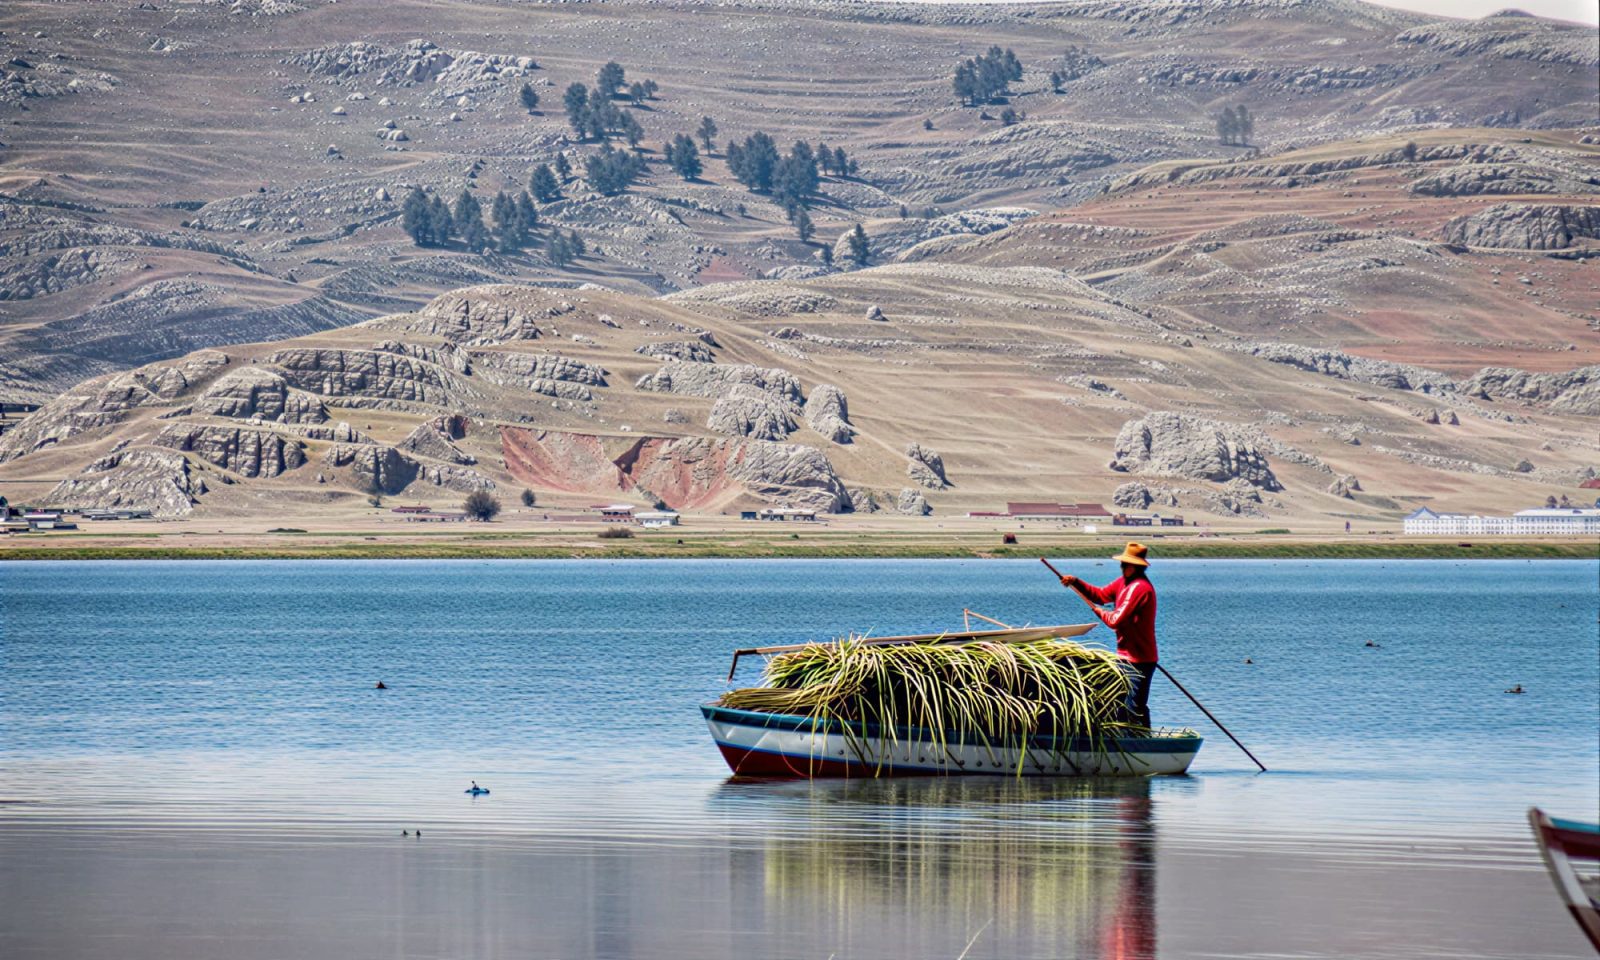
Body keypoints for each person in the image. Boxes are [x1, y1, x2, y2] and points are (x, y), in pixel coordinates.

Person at [1058, 542, 1158, 728]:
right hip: (1125, 656)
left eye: (1125, 564)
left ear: (1136, 566)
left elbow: (1115, 620)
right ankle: (1128, 740)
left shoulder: (1140, 588)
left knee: (1135, 705)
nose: (1121, 567)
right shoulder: (1124, 583)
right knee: (1120, 704)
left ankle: (1144, 743)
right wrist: (1076, 582)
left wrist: (1098, 612)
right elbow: (1101, 595)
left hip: (1140, 659)